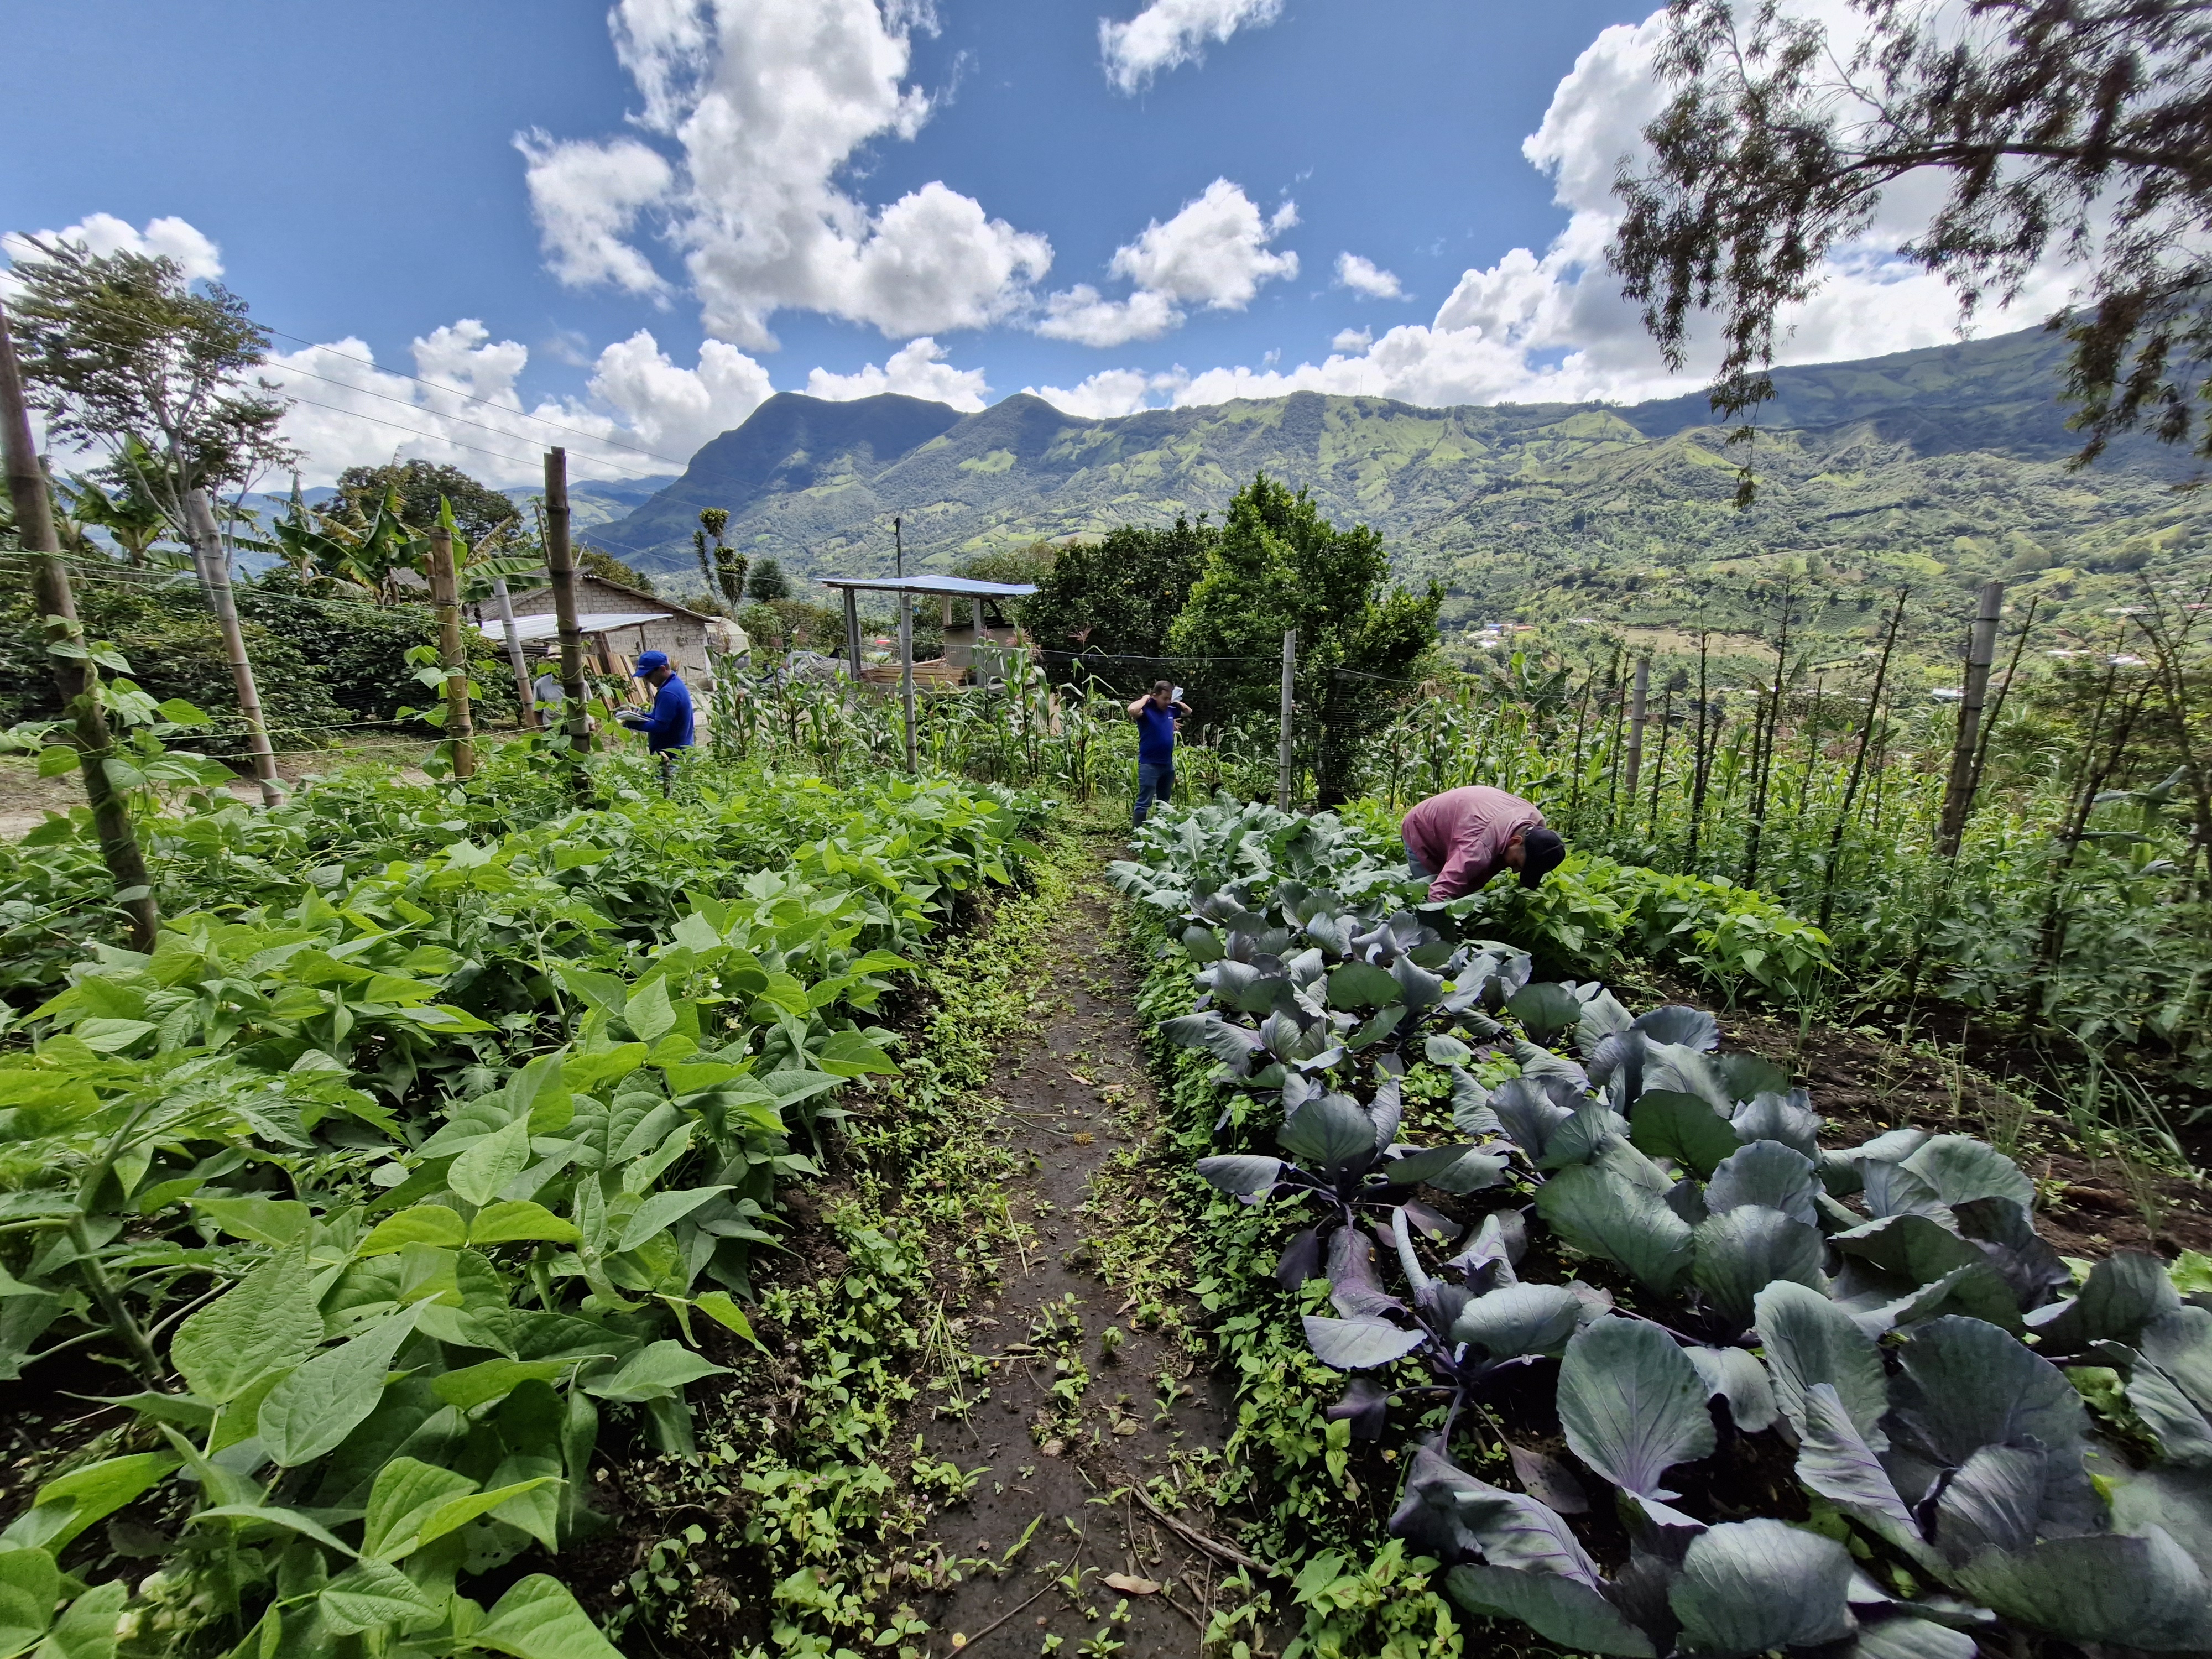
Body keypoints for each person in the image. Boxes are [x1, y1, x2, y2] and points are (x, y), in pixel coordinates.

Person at [1400, 785, 1566, 901]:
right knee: (1428, 893)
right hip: (1422, 828)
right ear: (1516, 840)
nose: (1515, 871)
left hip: (1463, 824)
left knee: (1465, 882)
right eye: (1517, 863)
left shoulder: (1534, 820)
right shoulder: (1477, 848)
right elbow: (1438, 893)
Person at [619, 650, 695, 795]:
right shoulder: (673, 685)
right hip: (679, 754)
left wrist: (631, 724)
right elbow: (660, 716)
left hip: (673, 758)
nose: (647, 680)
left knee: (669, 799)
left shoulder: (668, 693)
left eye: (648, 675)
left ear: (662, 669)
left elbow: (661, 725)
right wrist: (643, 716)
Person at [1126, 679, 1191, 828]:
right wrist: (1145, 698)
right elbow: (1132, 710)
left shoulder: (1170, 711)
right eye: (1165, 698)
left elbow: (1188, 711)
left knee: (1164, 802)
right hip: (1149, 764)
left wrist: (1174, 701)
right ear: (1155, 696)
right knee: (1144, 802)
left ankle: (1162, 833)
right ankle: (1138, 834)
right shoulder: (1146, 711)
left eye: (1170, 698)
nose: (1168, 702)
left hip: (1167, 766)